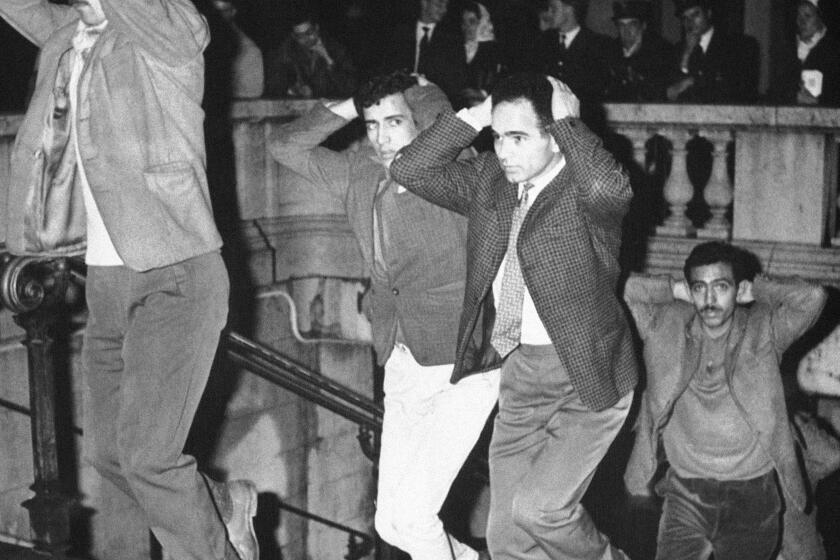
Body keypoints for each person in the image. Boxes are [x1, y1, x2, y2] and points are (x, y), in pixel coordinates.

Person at [0, 1, 258, 560]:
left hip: (176, 272)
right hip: (108, 282)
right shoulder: (69, 33)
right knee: (111, 457)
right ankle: (219, 506)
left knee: (150, 457)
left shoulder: (169, 32)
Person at [391, 72, 637, 560]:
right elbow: (410, 169)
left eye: (519, 137)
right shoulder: (490, 180)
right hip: (520, 377)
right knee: (505, 540)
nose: (504, 151)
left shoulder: (584, 191)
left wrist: (571, 122)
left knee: (540, 510)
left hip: (586, 378)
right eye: (499, 138)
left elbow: (613, 189)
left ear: (554, 134)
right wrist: (479, 116)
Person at [269, 71, 500, 560]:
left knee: (415, 518)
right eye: (373, 125)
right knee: (390, 522)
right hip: (401, 359)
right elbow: (285, 145)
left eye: (394, 121)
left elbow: (444, 130)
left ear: (423, 122)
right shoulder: (361, 174)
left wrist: (423, 96)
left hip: (461, 365)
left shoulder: (458, 171)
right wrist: (356, 103)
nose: (381, 136)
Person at [622, 241, 828, 560]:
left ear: (738, 289)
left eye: (721, 287)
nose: (709, 299)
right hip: (686, 494)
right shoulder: (665, 325)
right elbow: (631, 289)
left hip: (752, 495)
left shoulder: (764, 329)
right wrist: (676, 288)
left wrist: (758, 289)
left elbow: (813, 297)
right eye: (700, 288)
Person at [665, 0, 759, 103]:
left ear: (708, 13)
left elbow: (736, 88)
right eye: (685, 18)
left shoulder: (736, 45)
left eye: (695, 15)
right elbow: (670, 92)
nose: (690, 22)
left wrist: (692, 82)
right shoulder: (677, 49)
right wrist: (687, 54)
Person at [379, 0, 467, 101]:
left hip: (435, 101)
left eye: (446, 5)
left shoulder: (452, 39)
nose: (444, 10)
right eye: (439, 5)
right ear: (424, 3)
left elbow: (456, 81)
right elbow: (387, 68)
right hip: (399, 96)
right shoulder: (400, 32)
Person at [529, 0, 612, 106]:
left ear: (569, 8)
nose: (549, 13)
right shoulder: (541, 43)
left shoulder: (597, 45)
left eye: (553, 8)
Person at [264, 8, 357, 99]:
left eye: (309, 32)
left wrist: (328, 60)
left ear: (316, 28)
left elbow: (350, 88)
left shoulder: (336, 49)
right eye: (300, 36)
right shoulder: (286, 51)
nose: (306, 39)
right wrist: (295, 90)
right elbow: (273, 86)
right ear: (293, 36)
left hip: (334, 106)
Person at [770, 0, 840, 106]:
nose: (801, 21)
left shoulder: (833, 52)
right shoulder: (787, 50)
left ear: (820, 19)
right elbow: (774, 92)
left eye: (808, 16)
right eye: (799, 16)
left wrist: (818, 102)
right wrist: (794, 97)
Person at [605, 0, 673, 102]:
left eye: (632, 24)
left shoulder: (661, 51)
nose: (626, 30)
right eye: (621, 25)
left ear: (643, 26)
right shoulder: (609, 51)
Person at [209, 0, 264, 99]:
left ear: (233, 11)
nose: (216, 17)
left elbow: (250, 97)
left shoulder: (249, 50)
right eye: (213, 11)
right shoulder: (197, 41)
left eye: (223, 11)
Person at [459, 1, 506, 108]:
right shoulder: (454, 48)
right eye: (463, 22)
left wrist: (482, 93)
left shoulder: (492, 51)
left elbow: (496, 80)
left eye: (472, 22)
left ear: (481, 23)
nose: (466, 27)